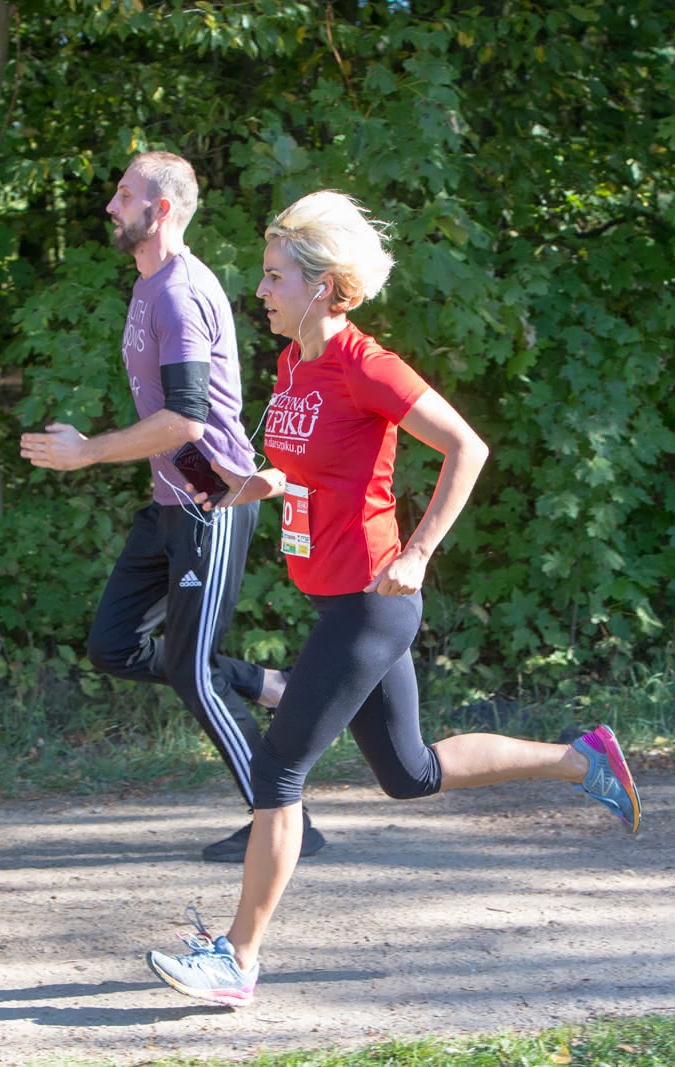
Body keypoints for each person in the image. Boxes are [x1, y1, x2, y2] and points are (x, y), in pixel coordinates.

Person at [144, 190, 642, 1005]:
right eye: (263, 276)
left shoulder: (365, 363)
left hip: (370, 601)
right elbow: (307, 469)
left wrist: (418, 551)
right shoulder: (294, 365)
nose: (260, 291)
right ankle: (582, 758)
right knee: (409, 773)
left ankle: (237, 959)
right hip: (336, 597)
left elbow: (467, 447)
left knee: (277, 767)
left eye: (274, 277)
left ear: (321, 286)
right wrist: (251, 483)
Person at [19, 151, 327, 863]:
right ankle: (270, 686)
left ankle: (284, 822)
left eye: (124, 195)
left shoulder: (179, 293)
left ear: (160, 211)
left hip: (209, 504)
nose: (110, 206)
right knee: (114, 645)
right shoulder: (148, 284)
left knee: (192, 673)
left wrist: (87, 451)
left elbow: (187, 419)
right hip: (171, 502)